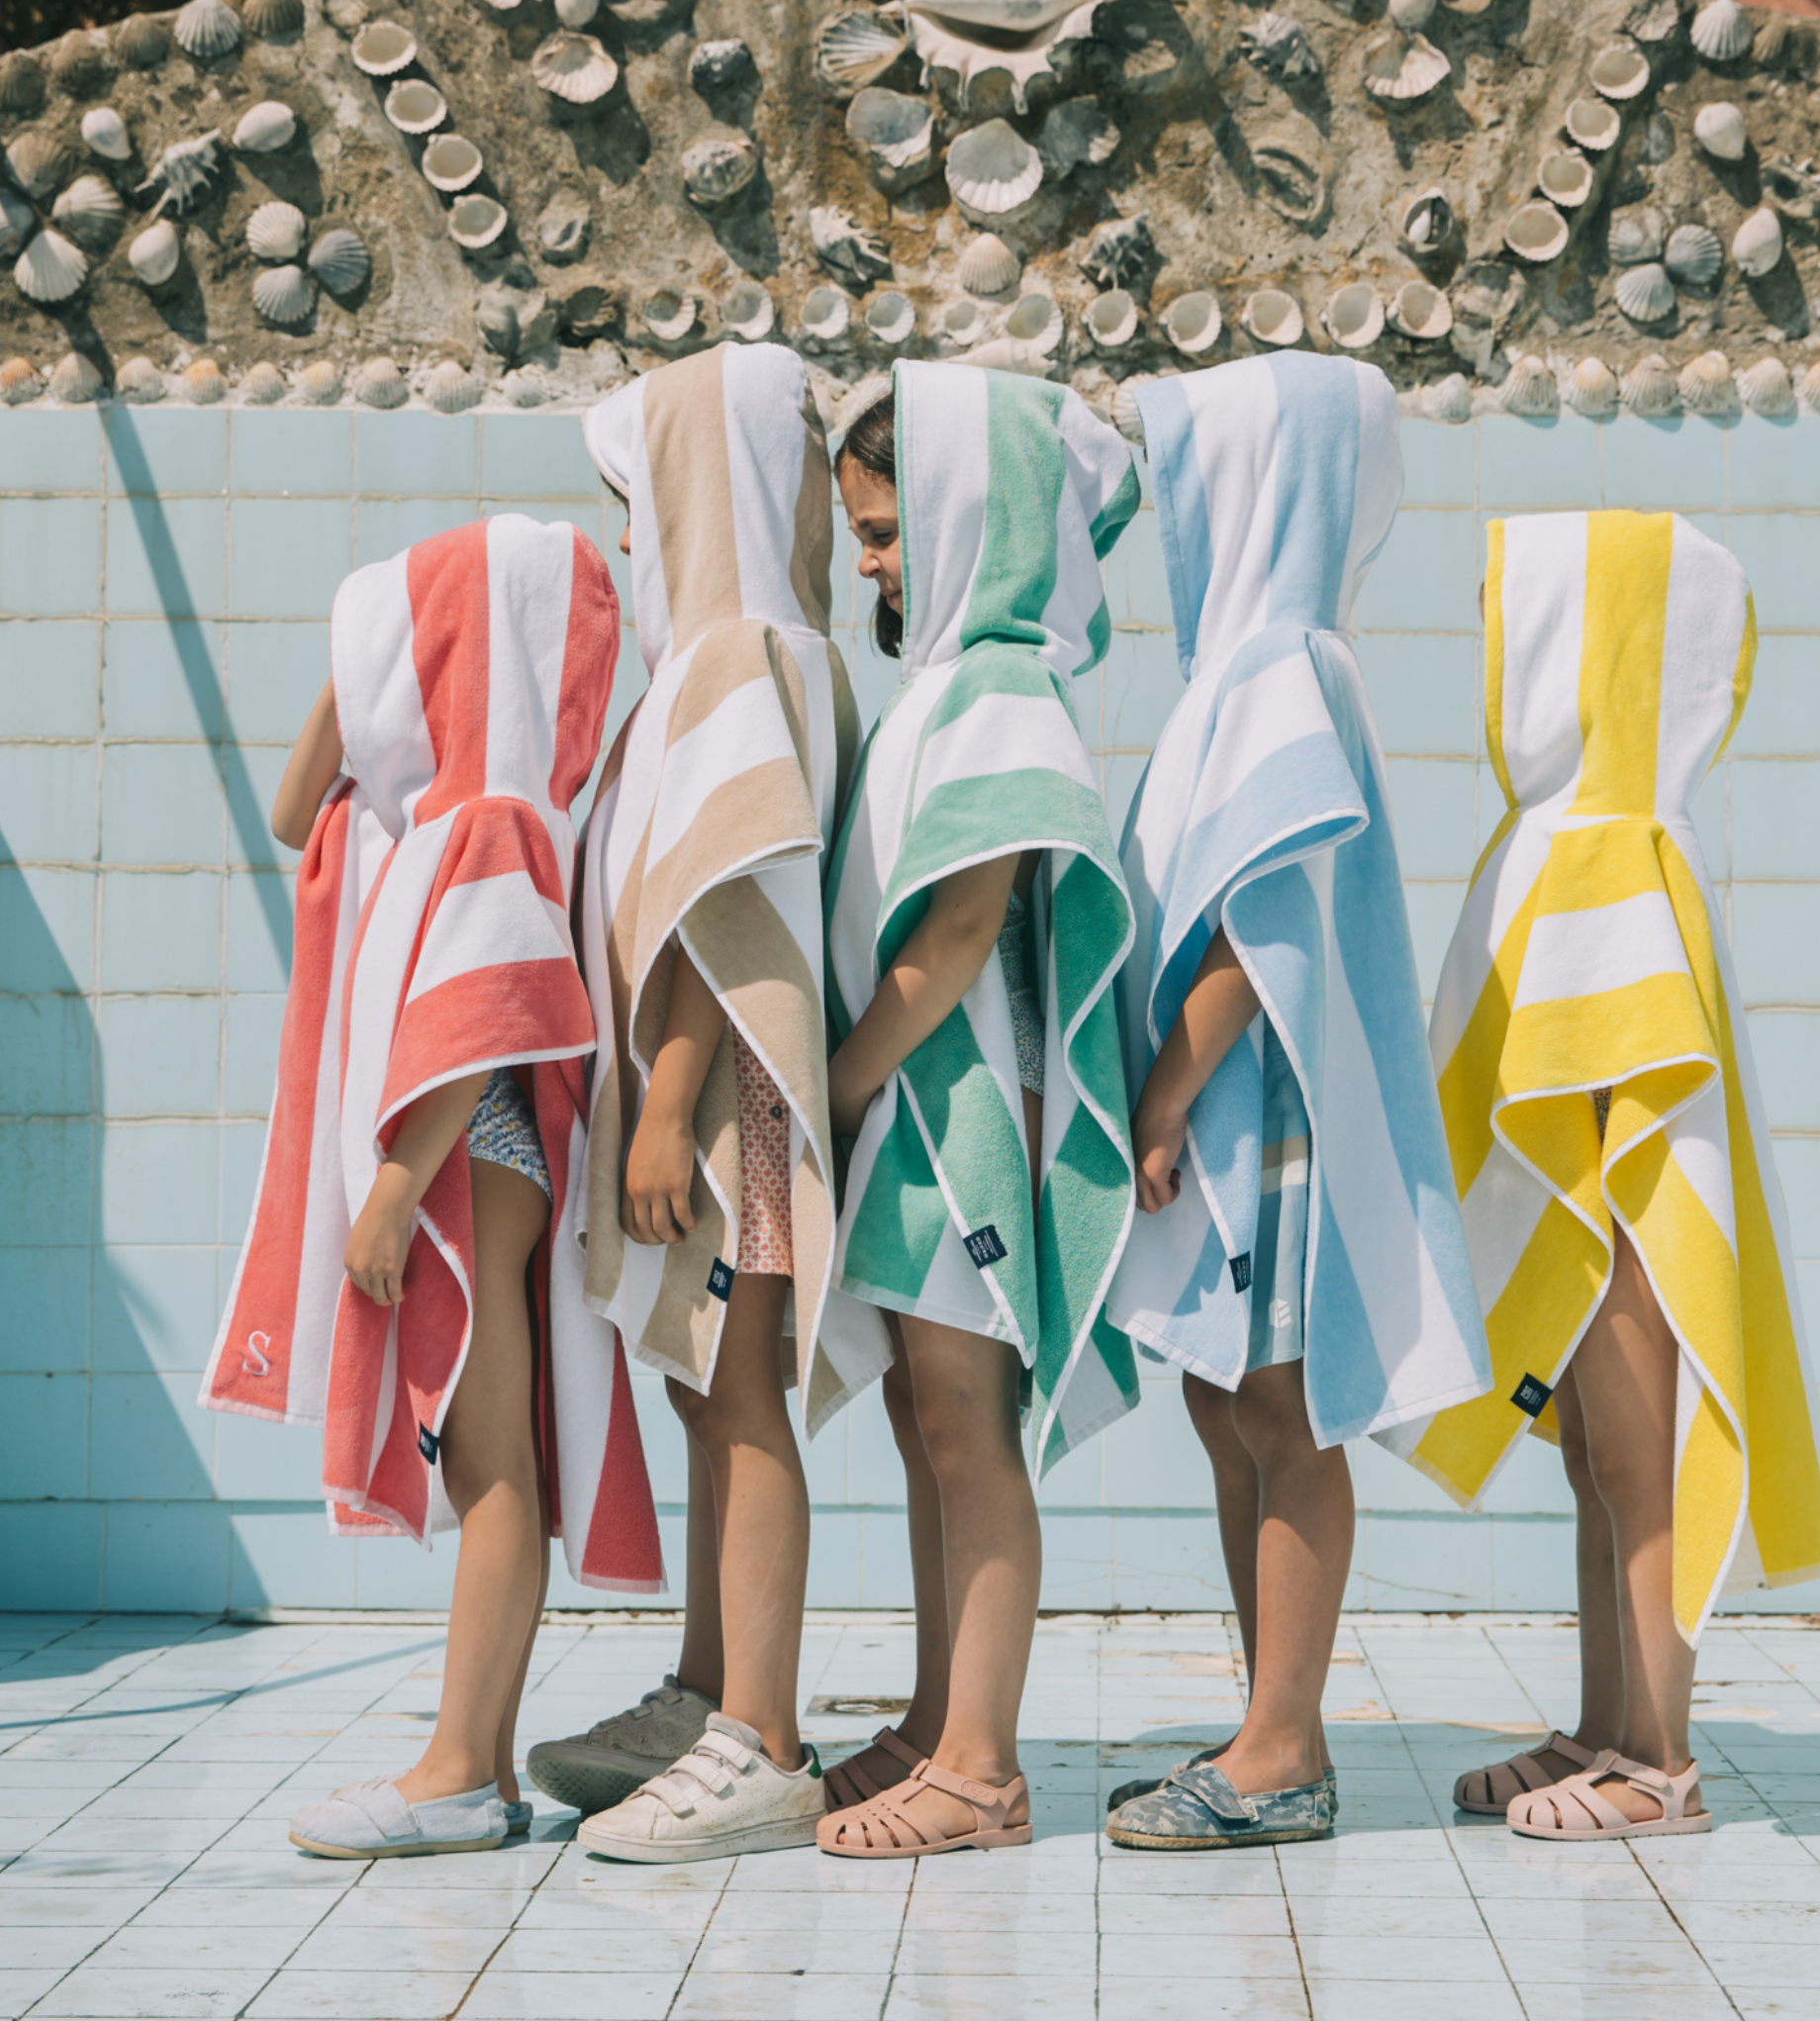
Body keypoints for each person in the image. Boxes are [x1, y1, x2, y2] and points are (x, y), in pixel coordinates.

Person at [200, 516, 665, 1859]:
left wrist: (400, 1183)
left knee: (493, 1455)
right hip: (468, 1154)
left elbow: (494, 1007)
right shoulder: (451, 807)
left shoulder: (495, 818)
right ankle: (482, 1766)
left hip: (476, 1153)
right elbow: (297, 815)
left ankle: (462, 1768)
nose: (385, 671)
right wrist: (366, 667)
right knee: (491, 1452)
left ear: (468, 654)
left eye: (415, 642)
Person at [1386, 511, 1820, 1840]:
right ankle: (1601, 1727)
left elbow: (1621, 1071)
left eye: (1511, 617)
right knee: (1594, 1451)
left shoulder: (1615, 839)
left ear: (1585, 648)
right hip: (1597, 1197)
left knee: (1641, 1454)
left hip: (1629, 1209)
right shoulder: (1570, 828)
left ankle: (1662, 1761)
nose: (1489, 645)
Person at [1099, 353, 1492, 1851]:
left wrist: (1161, 1094)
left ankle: (1283, 1748)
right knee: (1230, 1402)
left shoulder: (1276, 669)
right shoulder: (1263, 664)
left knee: (1281, 1414)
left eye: (1195, 474)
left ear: (1255, 487)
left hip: (1264, 1118)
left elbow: (1262, 938)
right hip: (1244, 1121)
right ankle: (1273, 1720)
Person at [526, 344, 868, 1864]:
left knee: (738, 1399)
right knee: (704, 1389)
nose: (621, 534)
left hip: (735, 1109)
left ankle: (761, 1740)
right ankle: (711, 1686)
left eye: (637, 493)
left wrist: (665, 1105)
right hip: (726, 1103)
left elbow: (727, 908)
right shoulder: (764, 647)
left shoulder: (735, 653)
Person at [814, 364, 1141, 1858]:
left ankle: (984, 1769)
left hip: (960, 1136)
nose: (869, 562)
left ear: (962, 516)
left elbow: (952, 945)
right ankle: (938, 1719)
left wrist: (832, 1088)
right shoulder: (947, 680)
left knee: (966, 1437)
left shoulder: (999, 688)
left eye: (885, 531)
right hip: (919, 1124)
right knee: (921, 1423)